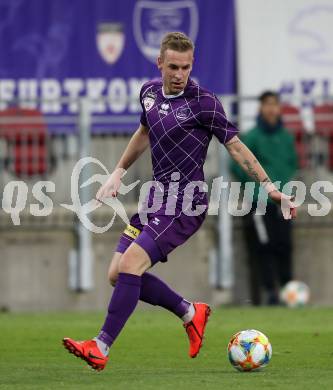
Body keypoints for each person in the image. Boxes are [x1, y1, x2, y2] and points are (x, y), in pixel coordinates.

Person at [62, 33, 296, 371]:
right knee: (117, 273)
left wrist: (269, 187)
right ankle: (190, 312)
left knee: (130, 267)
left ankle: (100, 346)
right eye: (172, 66)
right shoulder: (149, 94)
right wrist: (118, 171)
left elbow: (236, 147)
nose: (179, 74)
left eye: (185, 67)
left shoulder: (204, 103)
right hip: (156, 197)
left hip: (185, 203)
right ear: (160, 63)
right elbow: (143, 132)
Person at [232, 91, 298, 305]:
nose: (271, 109)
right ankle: (270, 293)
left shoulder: (286, 138)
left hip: (282, 202)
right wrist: (255, 187)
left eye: (275, 104)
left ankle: (289, 291)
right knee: (264, 246)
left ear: (279, 108)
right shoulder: (252, 137)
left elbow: (291, 164)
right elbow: (238, 165)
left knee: (284, 245)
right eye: (267, 104)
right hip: (260, 202)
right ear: (260, 108)